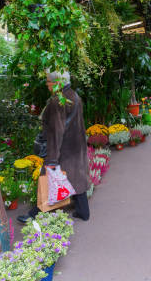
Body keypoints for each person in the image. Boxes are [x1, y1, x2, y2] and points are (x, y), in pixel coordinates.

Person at [18, 70, 91, 223]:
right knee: (76, 176)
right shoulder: (74, 96)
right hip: (76, 146)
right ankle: (83, 211)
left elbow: (56, 131)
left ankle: (34, 214)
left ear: (57, 83)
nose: (47, 84)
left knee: (48, 180)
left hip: (62, 149)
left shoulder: (57, 101)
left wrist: (52, 158)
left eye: (48, 81)